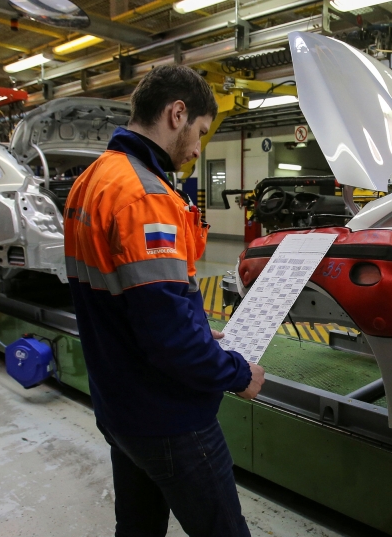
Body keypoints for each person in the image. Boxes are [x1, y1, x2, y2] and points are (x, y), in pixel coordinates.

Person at [65, 65, 264, 537]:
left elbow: (129, 301)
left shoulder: (92, 180)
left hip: (118, 406)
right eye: (199, 132)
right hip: (169, 417)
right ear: (177, 113)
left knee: (137, 528)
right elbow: (168, 340)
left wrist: (194, 325)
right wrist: (237, 372)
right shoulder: (146, 196)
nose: (197, 148)